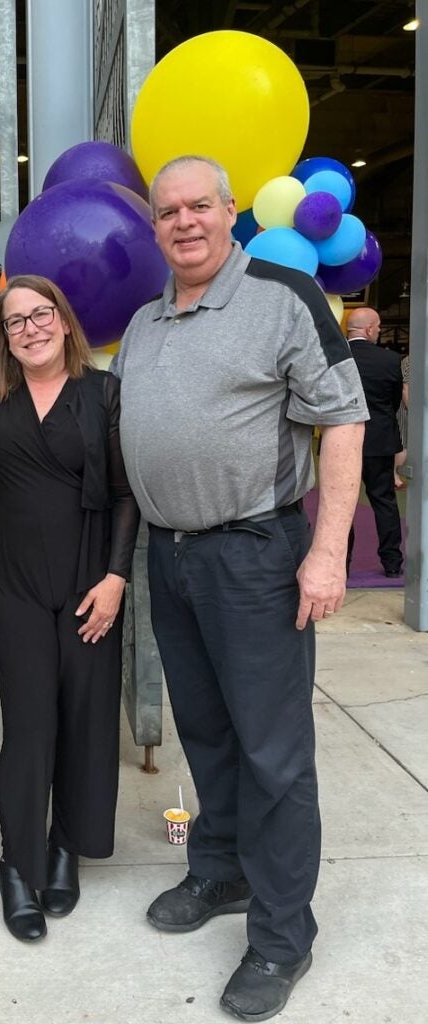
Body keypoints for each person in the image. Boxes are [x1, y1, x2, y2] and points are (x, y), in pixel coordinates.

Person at [112, 156, 367, 1022]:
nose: (184, 221)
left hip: (256, 556)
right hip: (170, 559)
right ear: (155, 226)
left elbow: (343, 419)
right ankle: (217, 868)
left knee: (274, 754)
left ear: (231, 213)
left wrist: (327, 553)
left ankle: (282, 937)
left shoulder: (282, 297)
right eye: (168, 211)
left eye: (200, 206)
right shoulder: (145, 322)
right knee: (208, 734)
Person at [0, 274, 139, 942]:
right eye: (16, 322)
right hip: (15, 587)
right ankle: (18, 862)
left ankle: (65, 845)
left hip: (88, 586)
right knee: (29, 725)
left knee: (83, 720)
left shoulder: (101, 394)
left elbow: (128, 492)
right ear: (4, 339)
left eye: (41, 315)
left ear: (65, 322)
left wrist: (116, 578)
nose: (31, 328)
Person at [345, 308, 404, 577]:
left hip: (342, 442)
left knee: (340, 505)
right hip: (379, 441)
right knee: (384, 502)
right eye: (378, 327)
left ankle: (341, 563)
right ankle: (392, 563)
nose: (380, 331)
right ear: (369, 329)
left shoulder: (333, 356)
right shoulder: (390, 360)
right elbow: (393, 404)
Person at [394, 353, 410, 489]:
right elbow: (405, 389)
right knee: (404, 443)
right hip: (406, 407)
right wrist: (410, 408)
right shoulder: (410, 361)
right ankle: (394, 476)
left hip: (417, 406)